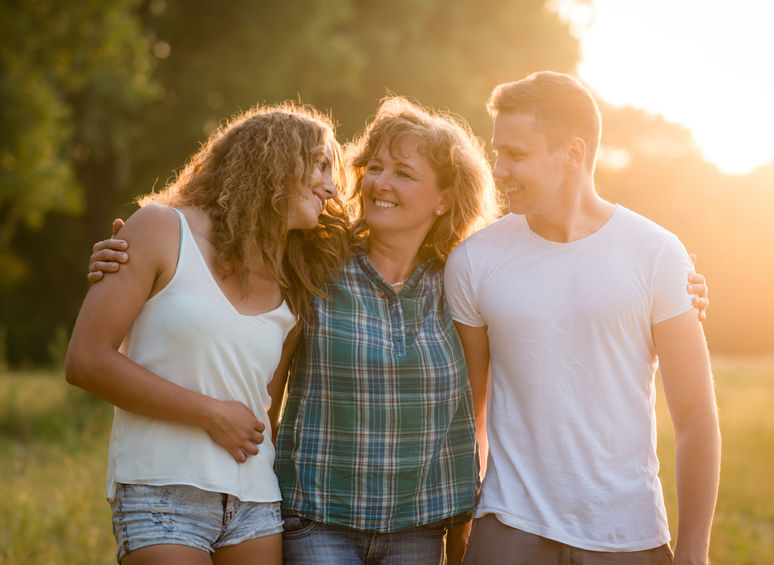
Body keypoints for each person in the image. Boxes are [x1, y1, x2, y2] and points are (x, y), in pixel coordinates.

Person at [87, 96, 711, 565]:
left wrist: (677, 287)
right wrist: (126, 254)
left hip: (419, 527)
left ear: (444, 198)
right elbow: (223, 259)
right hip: (315, 518)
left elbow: (480, 400)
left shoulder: (466, 274)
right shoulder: (312, 258)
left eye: (403, 173)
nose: (379, 183)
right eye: (374, 167)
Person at [444, 71, 720, 565]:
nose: (500, 169)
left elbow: (696, 418)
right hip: (509, 526)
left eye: (517, 155)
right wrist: (463, 531)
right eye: (498, 153)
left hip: (628, 533)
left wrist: (695, 550)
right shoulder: (474, 261)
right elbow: (471, 415)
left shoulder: (657, 254)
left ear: (572, 154)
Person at [66, 103, 348, 565]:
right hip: (161, 490)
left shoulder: (294, 285)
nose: (331, 187)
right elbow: (87, 361)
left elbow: (264, 412)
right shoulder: (160, 229)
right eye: (320, 165)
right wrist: (210, 414)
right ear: (275, 161)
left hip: (255, 500)